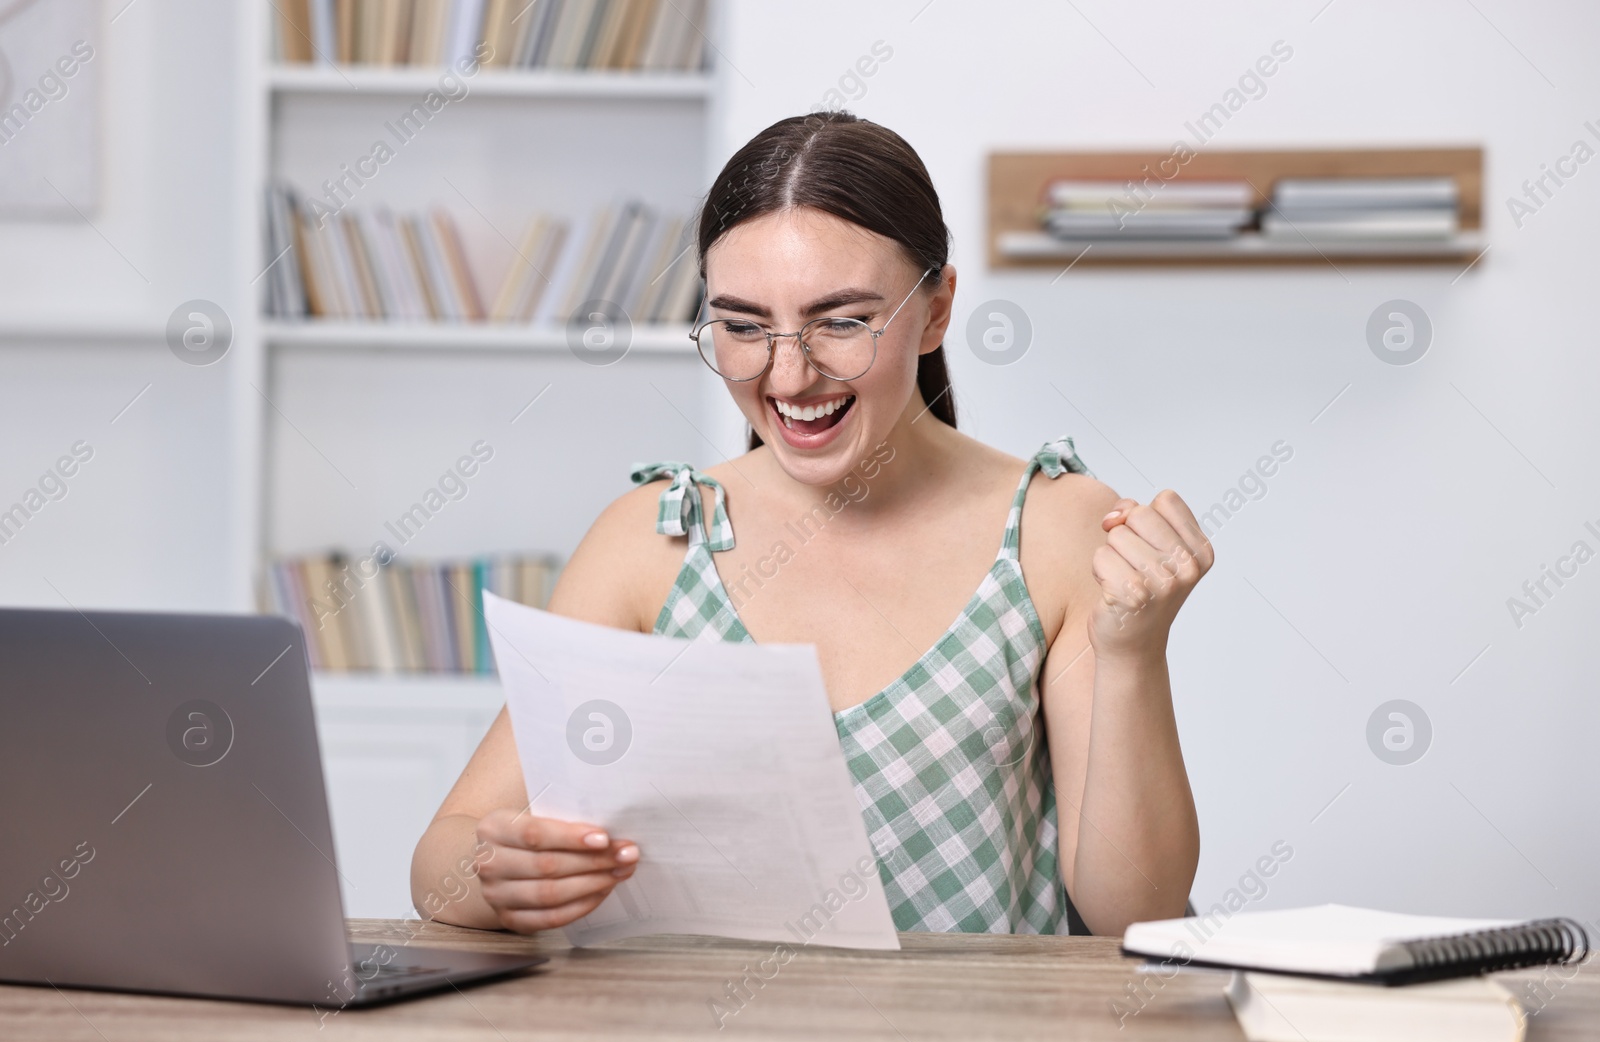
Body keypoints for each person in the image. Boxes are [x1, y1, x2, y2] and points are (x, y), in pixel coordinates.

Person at [412, 112, 1209, 937]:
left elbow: (1134, 912)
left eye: (841, 321)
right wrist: (497, 873)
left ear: (935, 311)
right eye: (744, 326)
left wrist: (1133, 652)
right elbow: (440, 855)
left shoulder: (1054, 528)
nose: (787, 375)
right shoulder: (654, 540)